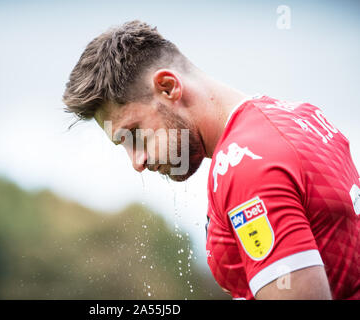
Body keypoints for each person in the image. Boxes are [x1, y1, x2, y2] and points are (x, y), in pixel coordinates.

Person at [62, 20, 359, 299]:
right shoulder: (301, 116)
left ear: (168, 87)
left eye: (135, 135)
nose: (136, 161)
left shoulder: (245, 163)